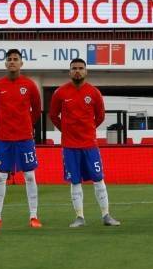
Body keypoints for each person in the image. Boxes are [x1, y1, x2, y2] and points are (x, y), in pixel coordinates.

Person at [49, 58, 120, 227]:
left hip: (89, 145)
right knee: (75, 181)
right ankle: (79, 217)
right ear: (69, 71)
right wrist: (66, 131)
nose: (77, 71)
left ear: (86, 71)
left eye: (81, 68)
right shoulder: (60, 92)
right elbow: (53, 116)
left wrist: (88, 130)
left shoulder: (94, 92)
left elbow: (100, 116)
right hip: (70, 146)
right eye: (74, 68)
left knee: (98, 179)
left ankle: (106, 215)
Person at [0, 49, 43, 229]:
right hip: (4, 138)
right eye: (9, 59)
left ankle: (34, 217)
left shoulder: (30, 85)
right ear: (5, 63)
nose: (12, 62)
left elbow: (36, 109)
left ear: (21, 63)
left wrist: (25, 124)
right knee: (0, 177)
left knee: (30, 176)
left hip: (25, 138)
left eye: (15, 59)